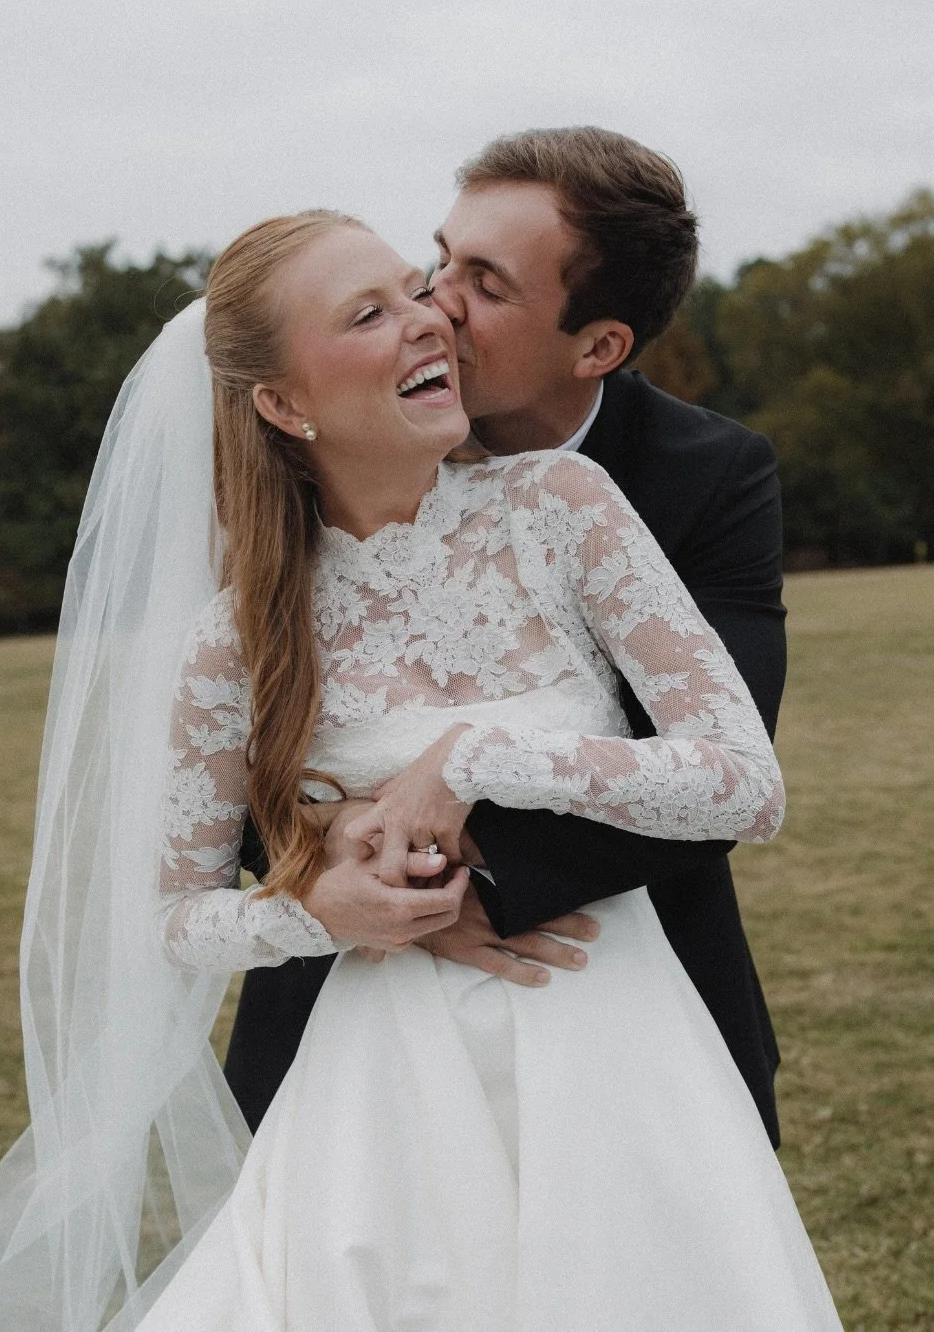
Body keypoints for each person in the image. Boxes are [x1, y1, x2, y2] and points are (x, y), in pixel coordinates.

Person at [131, 209, 840, 1328]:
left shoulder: (561, 507)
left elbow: (745, 784)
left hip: (613, 1037)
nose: (429, 322)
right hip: (381, 1085)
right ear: (283, 404)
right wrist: (326, 909)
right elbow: (174, 915)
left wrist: (481, 759)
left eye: (418, 290)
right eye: (371, 314)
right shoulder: (238, 635)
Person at [224, 127, 787, 1149]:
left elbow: (724, 783)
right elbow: (226, 791)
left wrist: (487, 880)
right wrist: (348, 875)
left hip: (615, 985)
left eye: (483, 284)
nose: (435, 304)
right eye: (439, 258)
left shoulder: (707, 477)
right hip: (351, 1017)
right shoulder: (293, 491)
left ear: (598, 347)